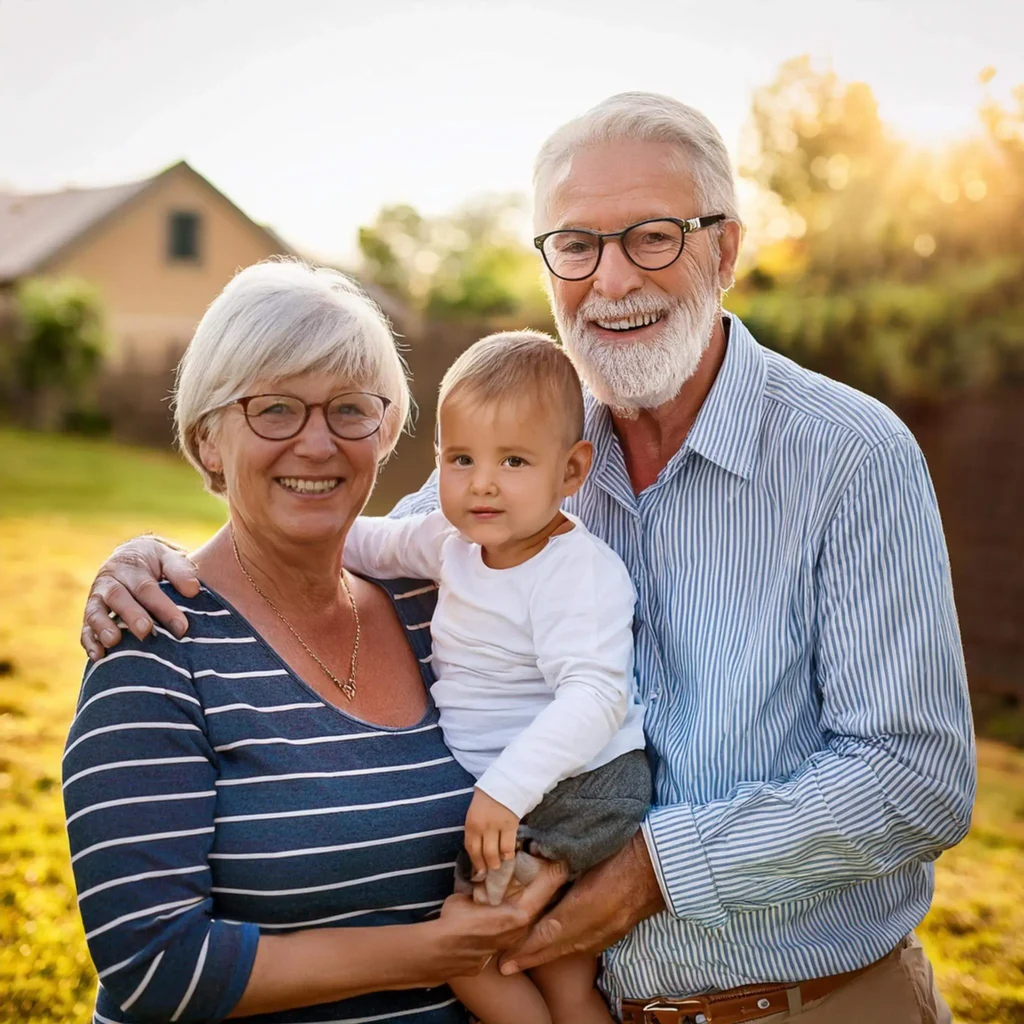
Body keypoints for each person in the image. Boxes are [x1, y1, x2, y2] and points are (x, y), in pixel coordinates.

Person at [80, 93, 976, 1023]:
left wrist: (653, 870)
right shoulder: (515, 453)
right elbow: (328, 522)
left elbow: (916, 775)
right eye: (577, 246)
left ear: (727, 249)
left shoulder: (850, 455)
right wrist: (150, 559)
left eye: (653, 237)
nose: (612, 281)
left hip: (807, 1005)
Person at [63, 259, 566, 1024]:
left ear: (387, 431)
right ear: (206, 442)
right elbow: (155, 969)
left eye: (349, 410)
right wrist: (433, 951)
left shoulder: (442, 611)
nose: (316, 443)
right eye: (274, 410)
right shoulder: (153, 646)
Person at [343, 329, 651, 1024]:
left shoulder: (578, 571)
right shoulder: (450, 544)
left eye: (513, 460)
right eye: (461, 459)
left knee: (469, 945)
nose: (481, 482)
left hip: (578, 787)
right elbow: (358, 540)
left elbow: (596, 696)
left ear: (571, 472)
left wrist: (504, 793)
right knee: (560, 966)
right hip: (524, 797)